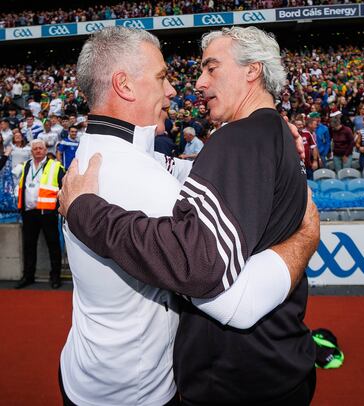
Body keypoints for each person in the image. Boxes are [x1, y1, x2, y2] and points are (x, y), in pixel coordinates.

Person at [60, 26, 319, 406]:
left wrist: (265, 150)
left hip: (92, 372)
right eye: (162, 78)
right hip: (134, 394)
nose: (175, 90)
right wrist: (307, 235)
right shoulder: (135, 179)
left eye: (210, 69)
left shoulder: (105, 152)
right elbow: (238, 303)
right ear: (125, 85)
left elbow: (176, 167)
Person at [15, 139, 64, 289]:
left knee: (53, 244)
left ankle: (55, 276)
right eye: (35, 148)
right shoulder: (26, 165)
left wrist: (59, 207)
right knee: (29, 245)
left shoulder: (55, 166)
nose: (37, 151)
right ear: (31, 151)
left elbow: (63, 188)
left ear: (45, 150)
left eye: (40, 148)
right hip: (29, 212)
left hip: (47, 213)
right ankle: (28, 276)